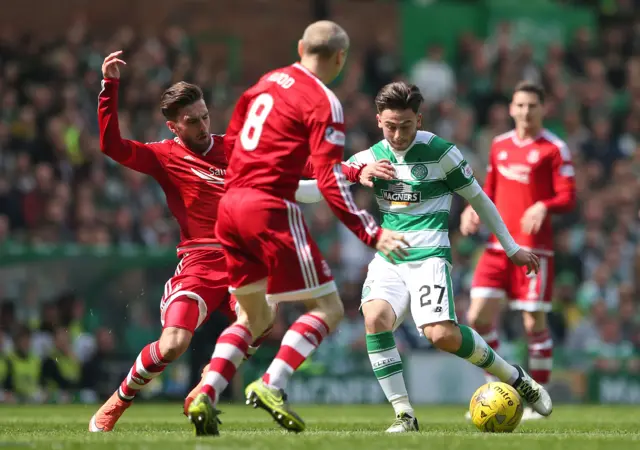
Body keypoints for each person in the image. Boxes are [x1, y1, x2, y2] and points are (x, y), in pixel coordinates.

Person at [90, 51, 385, 432]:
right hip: (199, 261)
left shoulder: (235, 147)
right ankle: (118, 400)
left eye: (204, 117)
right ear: (173, 126)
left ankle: (204, 390)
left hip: (243, 256)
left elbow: (302, 164)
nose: (201, 126)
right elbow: (111, 146)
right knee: (174, 343)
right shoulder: (162, 157)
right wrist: (109, 87)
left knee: (261, 323)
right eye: (191, 122)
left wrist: (353, 169)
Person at [187, 21, 408, 436]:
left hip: (230, 207)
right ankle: (273, 382)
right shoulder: (325, 102)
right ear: (340, 58)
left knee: (255, 317)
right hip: (268, 208)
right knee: (328, 309)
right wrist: (372, 233)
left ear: (301, 46)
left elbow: (234, 144)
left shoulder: (264, 83)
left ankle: (206, 392)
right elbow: (327, 179)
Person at [298, 81, 553, 432]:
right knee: (375, 318)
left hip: (430, 255)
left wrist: (512, 248)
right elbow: (316, 192)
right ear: (378, 121)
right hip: (389, 256)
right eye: (390, 126)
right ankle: (405, 414)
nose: (398, 134)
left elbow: (480, 200)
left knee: (441, 335)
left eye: (406, 125)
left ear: (418, 119)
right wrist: (353, 172)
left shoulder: (441, 152)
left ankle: (515, 377)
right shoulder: (370, 158)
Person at [460, 81, 576, 420]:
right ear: (511, 108)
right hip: (497, 247)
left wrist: (544, 205)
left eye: (532, 106)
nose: (526, 111)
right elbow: (490, 190)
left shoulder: (555, 148)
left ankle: (538, 397)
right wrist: (472, 210)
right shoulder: (499, 145)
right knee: (477, 318)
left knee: (532, 323)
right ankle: (494, 390)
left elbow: (568, 196)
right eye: (520, 105)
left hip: (534, 250)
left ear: (543, 109)